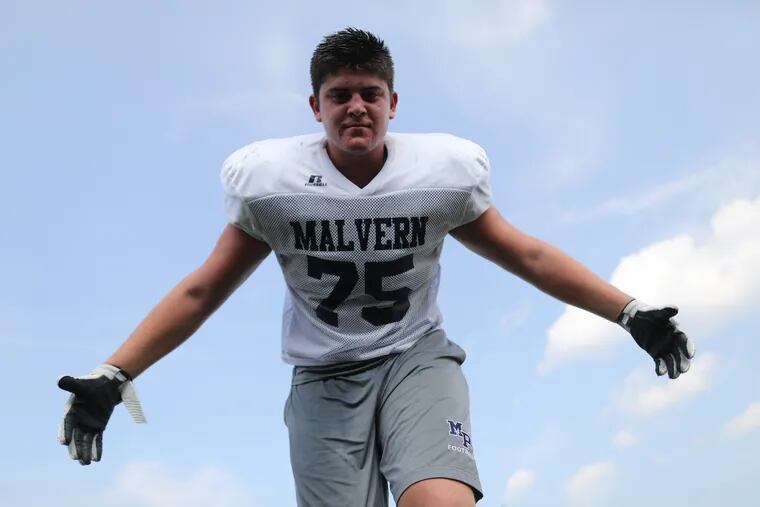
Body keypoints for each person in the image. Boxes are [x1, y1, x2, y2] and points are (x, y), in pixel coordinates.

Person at [57, 28, 695, 506]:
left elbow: (526, 254)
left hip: (415, 357)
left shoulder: (439, 177)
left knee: (440, 501)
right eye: (340, 95)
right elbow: (202, 290)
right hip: (324, 376)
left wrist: (628, 312)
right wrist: (115, 373)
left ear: (393, 101)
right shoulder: (272, 187)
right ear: (316, 107)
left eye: (370, 93)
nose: (356, 106)